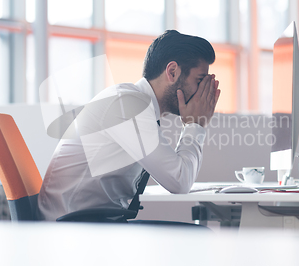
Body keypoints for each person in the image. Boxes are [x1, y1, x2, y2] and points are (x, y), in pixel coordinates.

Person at [38, 30, 220, 221]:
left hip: (91, 222)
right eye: (200, 81)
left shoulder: (135, 104)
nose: (203, 92)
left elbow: (177, 179)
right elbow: (180, 182)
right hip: (72, 227)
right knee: (197, 236)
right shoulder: (128, 104)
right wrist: (195, 124)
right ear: (172, 72)